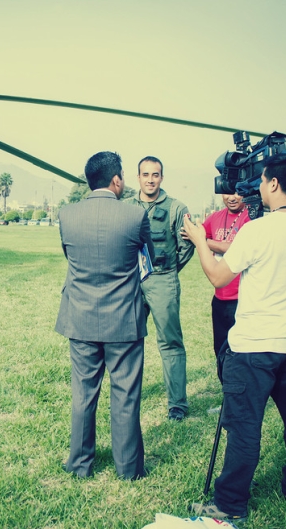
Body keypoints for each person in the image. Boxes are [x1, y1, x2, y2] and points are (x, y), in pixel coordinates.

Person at [183, 152, 286, 522]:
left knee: (245, 426)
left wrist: (201, 240)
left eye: (262, 181)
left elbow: (218, 276)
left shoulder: (257, 230)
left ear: (274, 184)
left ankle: (230, 504)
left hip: (252, 349)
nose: (257, 188)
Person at [56, 151, 154, 480]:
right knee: (125, 394)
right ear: (116, 180)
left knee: (83, 393)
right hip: (124, 320)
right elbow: (146, 260)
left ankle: (80, 464)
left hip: (80, 317)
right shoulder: (134, 216)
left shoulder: (67, 215)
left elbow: (70, 256)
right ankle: (129, 469)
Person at [123, 156, 194, 421]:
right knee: (129, 340)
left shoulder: (177, 207)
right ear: (138, 177)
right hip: (131, 281)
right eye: (145, 175)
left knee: (170, 342)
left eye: (155, 175)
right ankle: (128, 396)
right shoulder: (126, 206)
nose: (150, 180)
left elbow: (187, 245)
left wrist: (169, 272)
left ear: (161, 177)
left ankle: (177, 403)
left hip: (163, 280)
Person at [201, 193, 251, 383]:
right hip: (220, 298)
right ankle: (227, 395)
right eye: (227, 192)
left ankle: (242, 396)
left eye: (237, 192)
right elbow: (196, 236)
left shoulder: (251, 217)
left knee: (241, 353)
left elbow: (240, 248)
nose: (232, 197)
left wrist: (204, 242)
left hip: (243, 299)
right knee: (220, 350)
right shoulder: (215, 218)